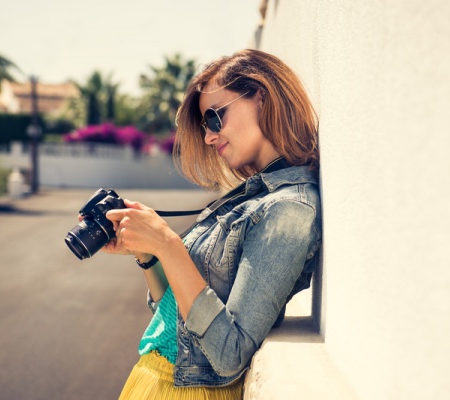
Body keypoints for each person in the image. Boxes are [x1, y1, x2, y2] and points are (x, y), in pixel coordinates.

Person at [99, 49, 321, 399]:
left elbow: (229, 353)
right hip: (156, 380)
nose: (208, 137)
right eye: (205, 126)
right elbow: (175, 313)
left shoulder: (288, 209)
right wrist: (148, 254)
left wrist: (169, 245)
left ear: (260, 97)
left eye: (214, 118)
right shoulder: (253, 196)